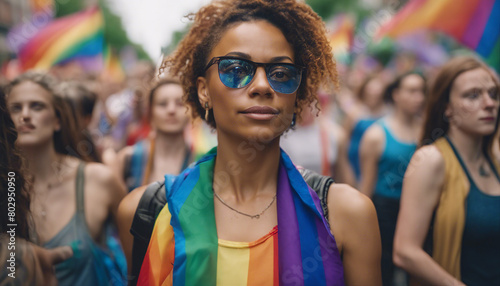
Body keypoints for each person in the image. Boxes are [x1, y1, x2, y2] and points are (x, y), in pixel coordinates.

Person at [138, 0, 381, 285]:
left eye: (281, 73)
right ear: (204, 91)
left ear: (297, 94)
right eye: (236, 69)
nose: (263, 86)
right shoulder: (150, 211)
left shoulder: (348, 215)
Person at [5, 71, 127, 286]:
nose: (25, 115)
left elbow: (138, 264)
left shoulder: (98, 180)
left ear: (57, 120)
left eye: (37, 106)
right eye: (16, 108)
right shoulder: (4, 187)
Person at [393, 56, 500, 286]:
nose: (489, 103)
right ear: (447, 108)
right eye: (473, 95)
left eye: (493, 94)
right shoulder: (430, 160)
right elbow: (404, 251)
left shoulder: (496, 158)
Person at [115, 78, 193, 271]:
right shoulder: (128, 159)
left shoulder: (201, 160)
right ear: (150, 112)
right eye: (162, 104)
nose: (171, 110)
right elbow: (114, 221)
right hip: (135, 264)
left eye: (180, 103)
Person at [359, 71, 426, 286]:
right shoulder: (376, 134)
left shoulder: (427, 131)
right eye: (412, 91)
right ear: (396, 94)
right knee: (384, 270)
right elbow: (366, 187)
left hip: (419, 211)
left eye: (422, 91)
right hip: (385, 212)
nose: (419, 97)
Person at [344, 74, 388, 181]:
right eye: (370, 91)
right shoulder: (354, 112)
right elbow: (345, 139)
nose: (373, 95)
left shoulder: (387, 112)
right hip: (355, 160)